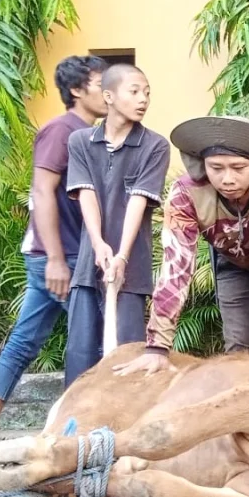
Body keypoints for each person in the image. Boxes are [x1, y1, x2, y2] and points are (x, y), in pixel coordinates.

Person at [112, 116, 249, 376]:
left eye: (238, 167)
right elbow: (175, 271)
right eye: (216, 168)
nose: (227, 178)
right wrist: (157, 348)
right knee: (239, 353)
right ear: (203, 165)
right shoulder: (186, 194)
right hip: (237, 266)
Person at [0, 55, 109, 445]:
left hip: (72, 255)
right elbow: (41, 191)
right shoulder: (60, 130)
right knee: (97, 340)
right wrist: (54, 258)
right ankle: (78, 432)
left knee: (26, 339)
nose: (109, 92)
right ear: (78, 90)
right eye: (102, 84)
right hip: (57, 256)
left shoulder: (91, 133)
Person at [64, 64, 171, 386]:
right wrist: (98, 244)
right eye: (135, 91)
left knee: (126, 360)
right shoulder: (80, 141)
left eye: (147, 93)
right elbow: (87, 194)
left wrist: (122, 256)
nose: (143, 99)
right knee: (79, 357)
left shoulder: (155, 145)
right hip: (87, 268)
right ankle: (73, 433)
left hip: (131, 272)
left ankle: (119, 434)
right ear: (109, 96)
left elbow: (138, 202)